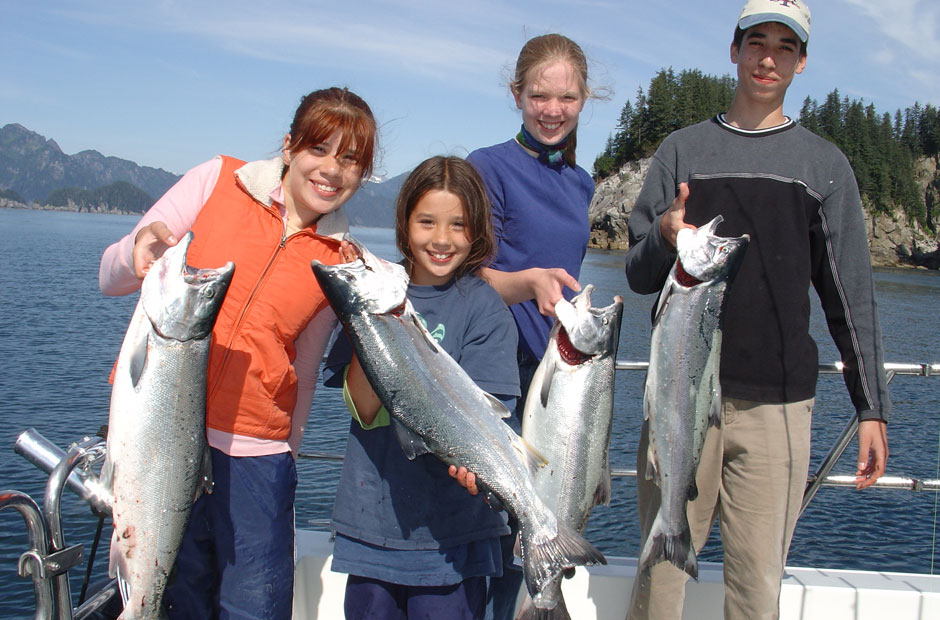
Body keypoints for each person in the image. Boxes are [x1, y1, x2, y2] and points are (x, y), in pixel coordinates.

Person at [623, 2, 890, 619]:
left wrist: (871, 406)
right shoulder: (681, 151)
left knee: (756, 592)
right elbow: (638, 276)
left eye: (784, 47)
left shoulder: (824, 167)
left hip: (778, 407)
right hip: (677, 402)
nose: (768, 58)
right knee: (658, 586)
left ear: (800, 62)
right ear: (735, 49)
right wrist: (664, 237)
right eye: (756, 42)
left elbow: (849, 293)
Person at [98, 87, 378, 620]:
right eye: (320, 149)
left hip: (256, 455)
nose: (332, 170)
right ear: (290, 146)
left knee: (255, 608)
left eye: (351, 160)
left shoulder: (339, 260)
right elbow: (109, 275)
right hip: (155, 437)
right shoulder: (215, 180)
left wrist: (289, 457)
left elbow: (306, 365)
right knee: (166, 593)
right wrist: (136, 252)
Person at [322, 155, 521, 619]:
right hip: (372, 524)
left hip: (455, 536)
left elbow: (490, 416)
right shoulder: (377, 293)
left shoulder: (485, 310)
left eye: (458, 224)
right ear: (404, 221)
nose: (441, 239)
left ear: (477, 231)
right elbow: (366, 410)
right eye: (426, 221)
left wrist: (479, 465)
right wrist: (363, 322)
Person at [463, 33, 600, 620]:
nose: (552, 110)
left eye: (566, 98)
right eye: (539, 96)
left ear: (584, 99)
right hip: (497, 371)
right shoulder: (486, 167)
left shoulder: (581, 181)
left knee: (545, 528)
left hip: (559, 377)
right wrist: (530, 282)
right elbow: (464, 273)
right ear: (516, 94)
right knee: (489, 534)